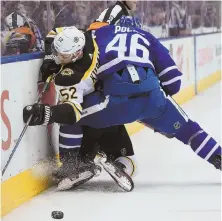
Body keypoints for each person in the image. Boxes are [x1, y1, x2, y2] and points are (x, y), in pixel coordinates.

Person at [23, 21, 221, 191]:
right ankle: (217, 157)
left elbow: (58, 40)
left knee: (71, 114)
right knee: (189, 130)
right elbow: (174, 82)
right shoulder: (146, 36)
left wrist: (47, 108)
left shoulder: (93, 35)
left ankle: (72, 165)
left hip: (113, 100)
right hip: (153, 98)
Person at [37, 3, 140, 190]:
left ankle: (77, 164)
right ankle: (97, 162)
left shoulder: (73, 76)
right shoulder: (86, 37)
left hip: (96, 109)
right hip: (103, 108)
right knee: (117, 147)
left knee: (72, 120)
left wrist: (45, 113)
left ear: (76, 54)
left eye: (64, 56)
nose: (59, 58)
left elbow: (70, 112)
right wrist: (49, 58)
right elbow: (57, 33)